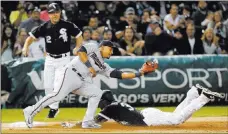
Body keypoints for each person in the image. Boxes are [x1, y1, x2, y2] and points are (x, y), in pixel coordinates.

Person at [23, 40, 157, 129]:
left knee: (97, 93)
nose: (111, 51)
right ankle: (30, 111)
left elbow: (120, 75)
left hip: (81, 81)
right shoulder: (93, 47)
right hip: (70, 73)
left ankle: (87, 122)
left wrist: (140, 73)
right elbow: (80, 51)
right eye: (110, 48)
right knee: (57, 96)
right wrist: (90, 67)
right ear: (102, 47)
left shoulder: (104, 66)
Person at [22, 3, 83, 118]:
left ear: (60, 12)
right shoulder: (45, 26)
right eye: (52, 12)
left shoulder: (67, 25)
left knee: (58, 84)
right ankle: (53, 108)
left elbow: (79, 35)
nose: (54, 15)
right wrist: (25, 47)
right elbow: (30, 38)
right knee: (48, 87)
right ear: (48, 14)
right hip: (50, 59)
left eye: (56, 12)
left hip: (63, 59)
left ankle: (53, 109)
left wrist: (77, 47)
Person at [62, 84, 224, 127]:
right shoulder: (115, 106)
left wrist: (72, 126)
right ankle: (193, 93)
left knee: (177, 119)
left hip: (147, 119)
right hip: (147, 114)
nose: (100, 106)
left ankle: (202, 97)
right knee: (175, 115)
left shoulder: (110, 109)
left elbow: (93, 122)